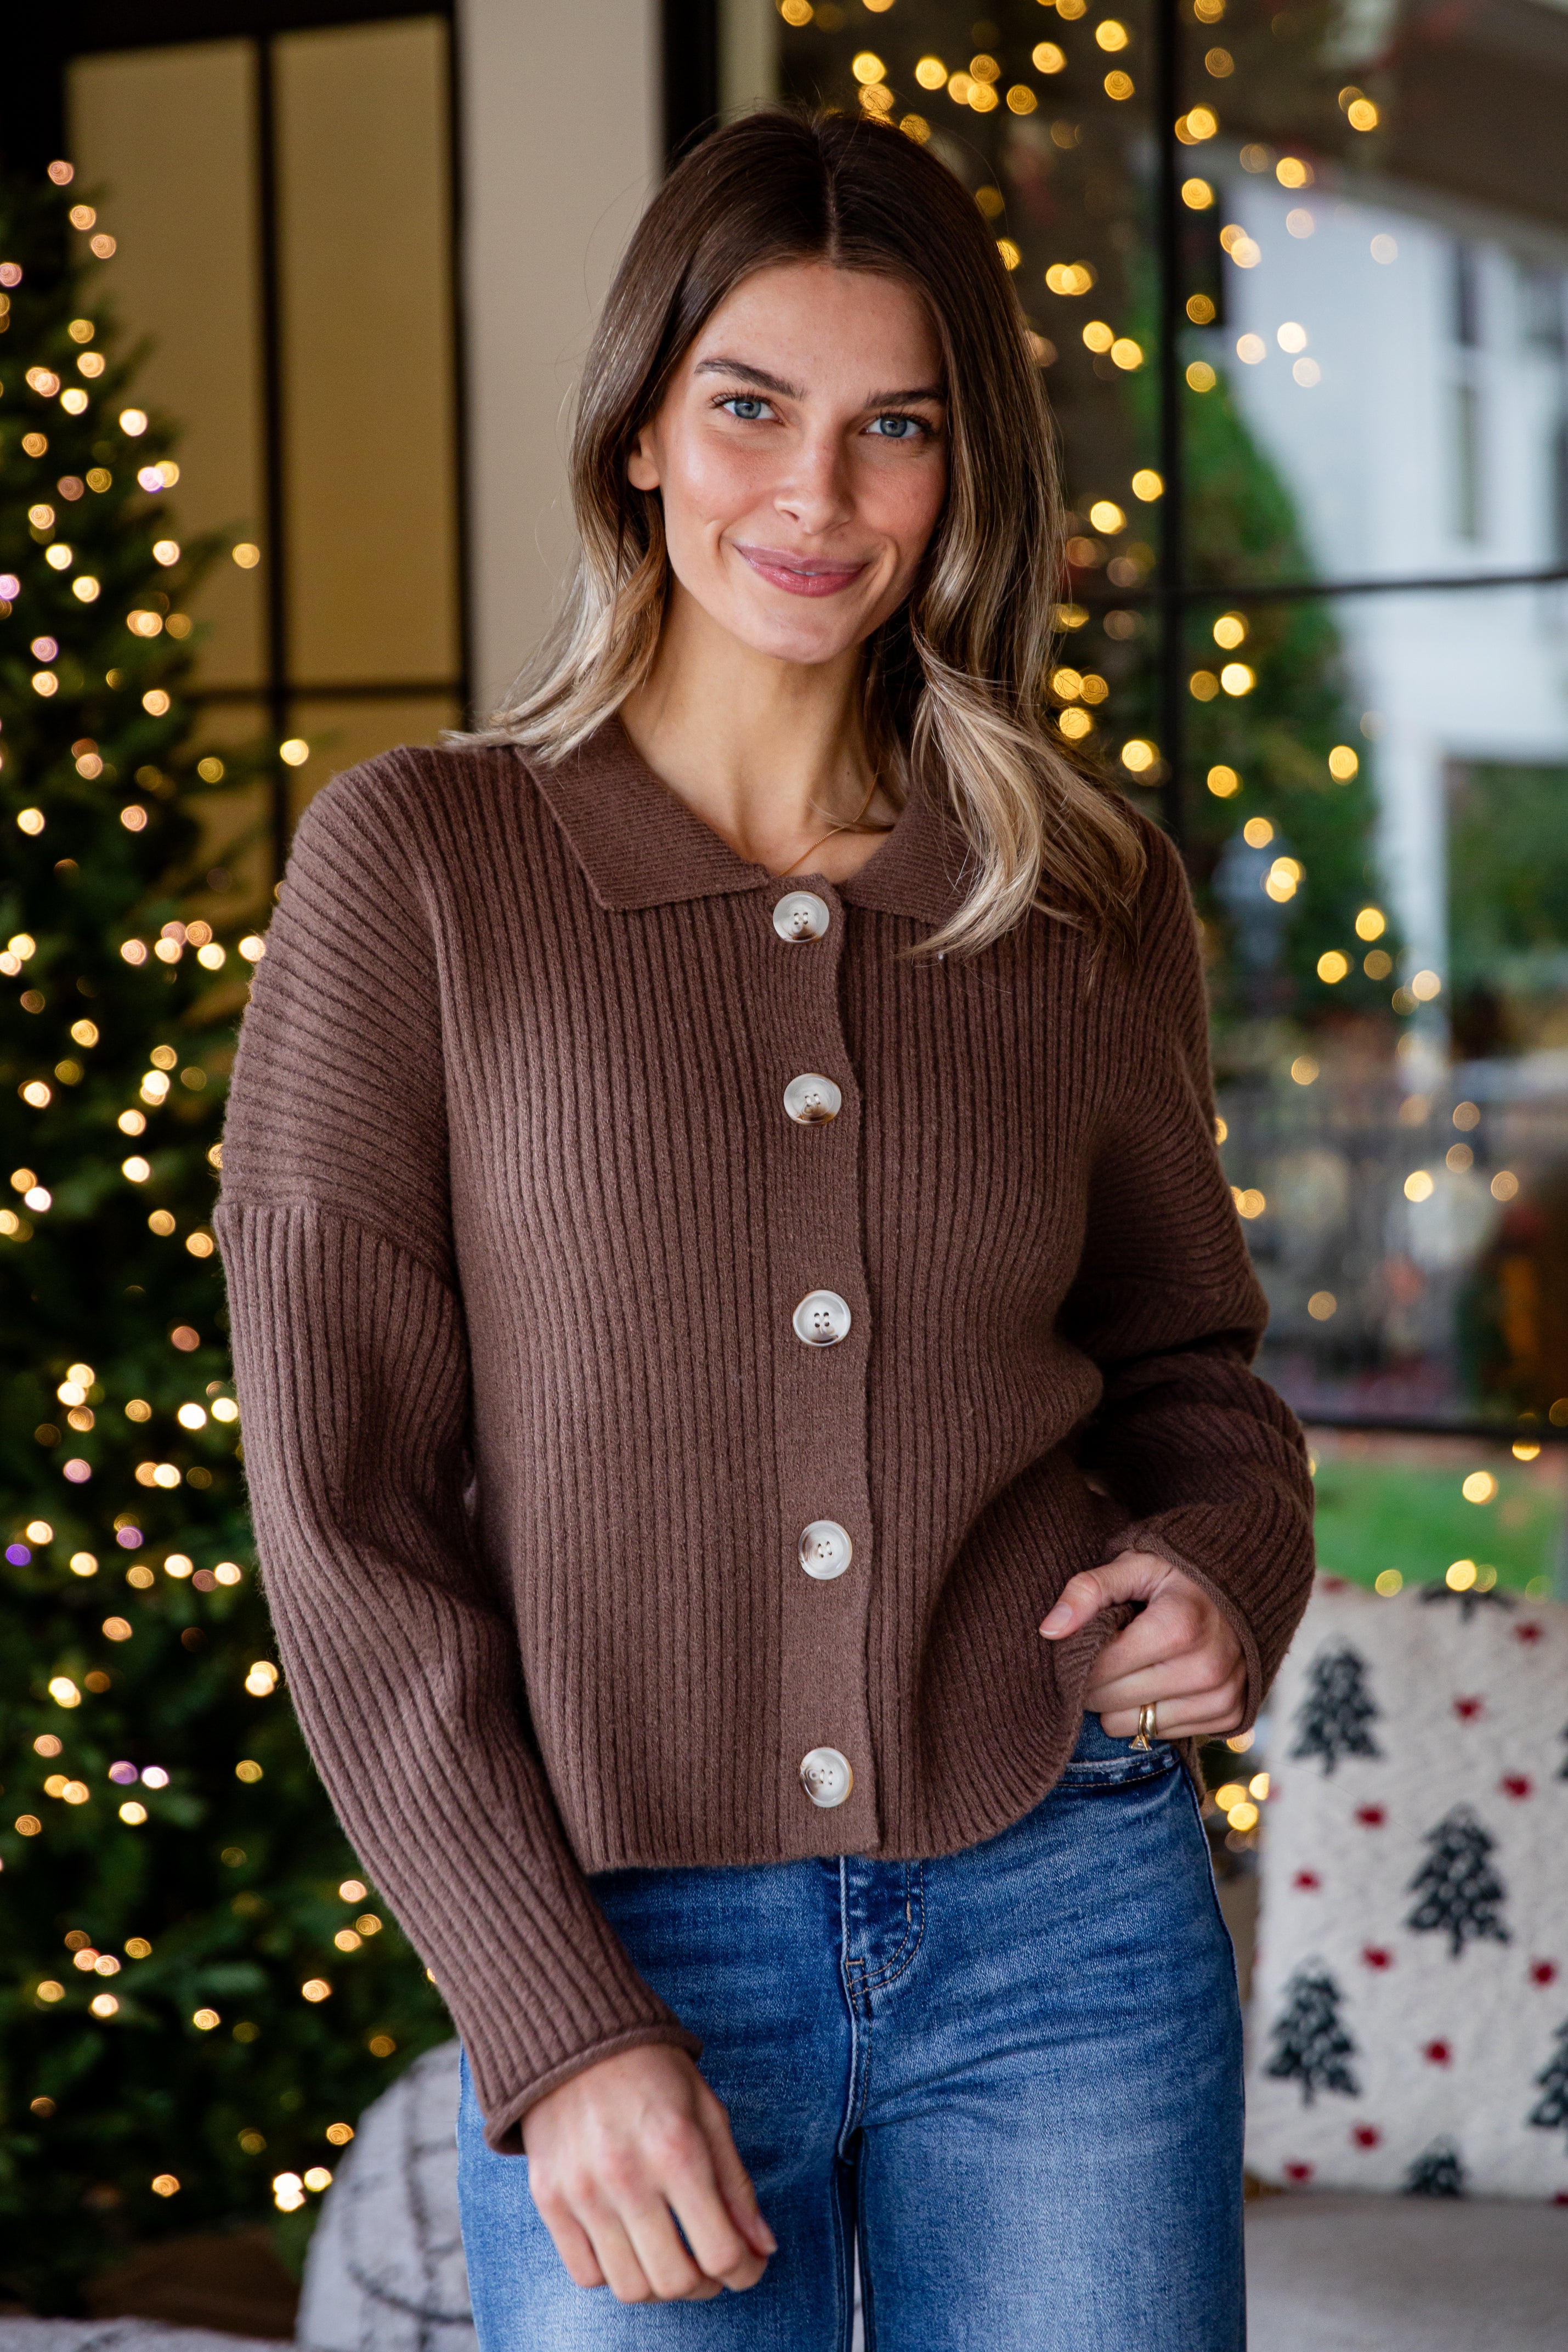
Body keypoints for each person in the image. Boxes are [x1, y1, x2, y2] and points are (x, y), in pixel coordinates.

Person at [217, 108, 1313, 2351]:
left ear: (961, 473)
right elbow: (344, 1512)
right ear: (637, 433)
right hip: (632, 1947)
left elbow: (1193, 1367)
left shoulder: (1076, 891)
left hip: (1068, 1915)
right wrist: (552, 2016)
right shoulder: (420, 867)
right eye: (749, 408)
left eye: (891, 429)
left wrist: (1222, 1564)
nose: (813, 497)